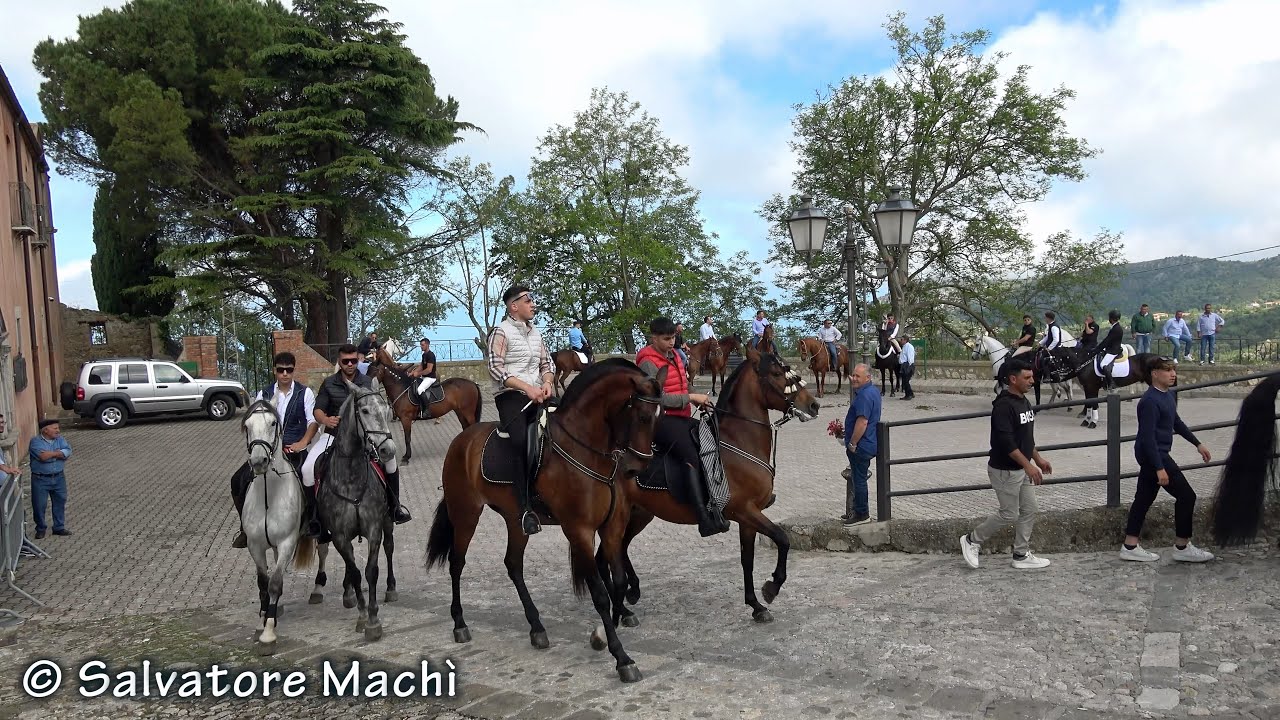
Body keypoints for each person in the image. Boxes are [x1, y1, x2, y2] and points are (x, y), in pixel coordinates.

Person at [305, 343, 411, 536]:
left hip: (365, 436)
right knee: (306, 468)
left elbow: (378, 406)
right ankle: (313, 519)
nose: (350, 364)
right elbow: (318, 409)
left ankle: (395, 507)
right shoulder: (329, 383)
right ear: (340, 361)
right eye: (346, 361)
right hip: (333, 434)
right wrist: (325, 419)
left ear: (358, 360)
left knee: (391, 461)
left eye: (354, 360)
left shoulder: (367, 382)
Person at [636, 316, 726, 537]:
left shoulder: (675, 354)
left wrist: (699, 398)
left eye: (673, 337)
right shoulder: (647, 361)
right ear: (653, 338)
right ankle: (703, 518)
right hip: (661, 420)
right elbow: (658, 398)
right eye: (666, 339)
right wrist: (690, 398)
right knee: (691, 456)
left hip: (682, 416)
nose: (671, 342)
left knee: (713, 437)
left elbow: (684, 384)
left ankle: (720, 497)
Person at [1119, 356, 1214, 563]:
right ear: (1154, 374)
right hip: (1154, 455)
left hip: (1155, 456)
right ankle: (1182, 546)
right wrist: (1159, 467)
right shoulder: (1149, 401)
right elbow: (1147, 437)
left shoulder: (1167, 396)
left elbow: (1176, 422)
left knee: (1143, 500)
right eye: (1167, 370)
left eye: (1173, 370)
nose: (1173, 374)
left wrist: (1197, 444)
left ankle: (1130, 545)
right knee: (1187, 496)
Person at [959, 360, 1052, 569]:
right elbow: (1007, 442)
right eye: (1027, 378)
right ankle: (972, 540)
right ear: (1013, 379)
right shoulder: (1003, 406)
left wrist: (1037, 459)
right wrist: (1028, 466)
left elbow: (1026, 438)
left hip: (1021, 468)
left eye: (1032, 377)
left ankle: (1021, 554)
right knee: (1009, 513)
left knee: (1030, 508)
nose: (1032, 381)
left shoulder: (1024, 402)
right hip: (1005, 471)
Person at [231, 352, 320, 548]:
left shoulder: (304, 393)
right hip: (267, 450)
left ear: (294, 371)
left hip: (294, 448)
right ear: (275, 371)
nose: (285, 374)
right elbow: (254, 422)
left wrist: (302, 443)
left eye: (289, 370)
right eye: (281, 370)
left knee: (309, 477)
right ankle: (244, 528)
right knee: (238, 480)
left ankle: (313, 521)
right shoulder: (264, 393)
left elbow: (312, 421)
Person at [488, 285, 556, 536]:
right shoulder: (500, 332)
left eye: (533, 300)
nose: (533, 304)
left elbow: (546, 363)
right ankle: (525, 507)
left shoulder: (537, 333)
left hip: (539, 392)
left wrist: (547, 382)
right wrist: (526, 388)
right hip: (511, 397)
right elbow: (495, 369)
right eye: (529, 300)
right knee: (521, 441)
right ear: (513, 306)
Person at [842, 363, 881, 526]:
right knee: (859, 478)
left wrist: (852, 443)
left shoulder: (864, 396)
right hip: (867, 443)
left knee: (859, 479)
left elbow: (862, 422)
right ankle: (857, 510)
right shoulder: (872, 391)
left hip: (862, 445)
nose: (854, 379)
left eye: (858, 376)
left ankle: (861, 514)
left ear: (868, 377)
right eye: (853, 375)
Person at [29, 418, 73, 539]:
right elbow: (43, 457)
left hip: (58, 477)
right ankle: (40, 528)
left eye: (58, 428)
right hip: (40, 479)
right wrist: (59, 453)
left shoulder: (60, 439)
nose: (58, 431)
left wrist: (52, 454)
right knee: (39, 505)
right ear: (46, 430)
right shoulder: (35, 442)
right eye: (55, 428)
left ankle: (59, 527)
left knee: (60, 502)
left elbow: (68, 451)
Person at [1089, 310, 1124, 389]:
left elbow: (1107, 341)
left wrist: (1096, 350)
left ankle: (1111, 383)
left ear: (1111, 319)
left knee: (1103, 364)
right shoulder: (1115, 327)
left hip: (1113, 350)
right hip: (1110, 348)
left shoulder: (1116, 329)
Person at [898, 334, 916, 401]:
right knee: (905, 381)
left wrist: (908, 367)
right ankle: (910, 393)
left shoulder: (909, 347)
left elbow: (910, 358)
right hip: (904, 365)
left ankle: (908, 395)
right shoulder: (904, 346)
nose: (901, 341)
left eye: (902, 339)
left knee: (906, 381)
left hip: (907, 365)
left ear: (905, 340)